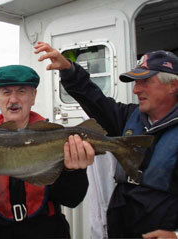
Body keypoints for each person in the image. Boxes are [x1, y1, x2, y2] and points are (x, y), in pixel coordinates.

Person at [35, 42, 178, 239]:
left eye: (145, 82)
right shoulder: (127, 116)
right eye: (135, 83)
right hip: (121, 225)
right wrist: (70, 70)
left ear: (173, 85)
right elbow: (94, 99)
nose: (136, 90)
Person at [0, 65, 95, 239]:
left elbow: (72, 199)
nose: (13, 99)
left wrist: (73, 172)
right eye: (6, 92)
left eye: (21, 91)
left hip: (48, 231)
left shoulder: (59, 139)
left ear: (33, 96)